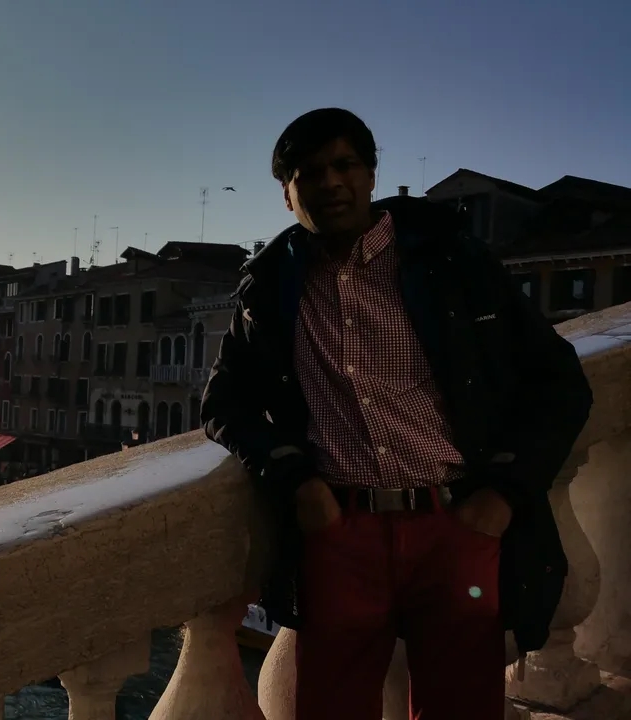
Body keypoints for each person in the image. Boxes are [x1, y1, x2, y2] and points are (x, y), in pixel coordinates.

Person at [200, 108, 592, 719]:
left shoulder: (451, 263)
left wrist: (504, 494)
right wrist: (294, 479)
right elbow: (224, 402)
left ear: (371, 174)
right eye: (309, 173)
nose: (330, 182)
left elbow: (560, 382)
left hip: (456, 526)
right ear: (287, 194)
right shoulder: (271, 286)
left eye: (344, 165)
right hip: (340, 534)